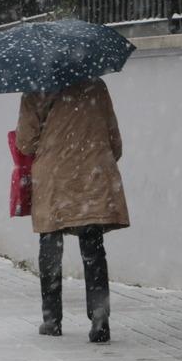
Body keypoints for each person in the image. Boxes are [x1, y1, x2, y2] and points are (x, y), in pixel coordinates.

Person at [16, 78, 129, 343]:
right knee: (93, 247)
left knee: (50, 244)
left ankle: (52, 319)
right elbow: (115, 142)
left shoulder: (35, 87)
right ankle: (100, 316)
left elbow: (26, 143)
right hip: (93, 173)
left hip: (54, 178)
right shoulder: (96, 85)